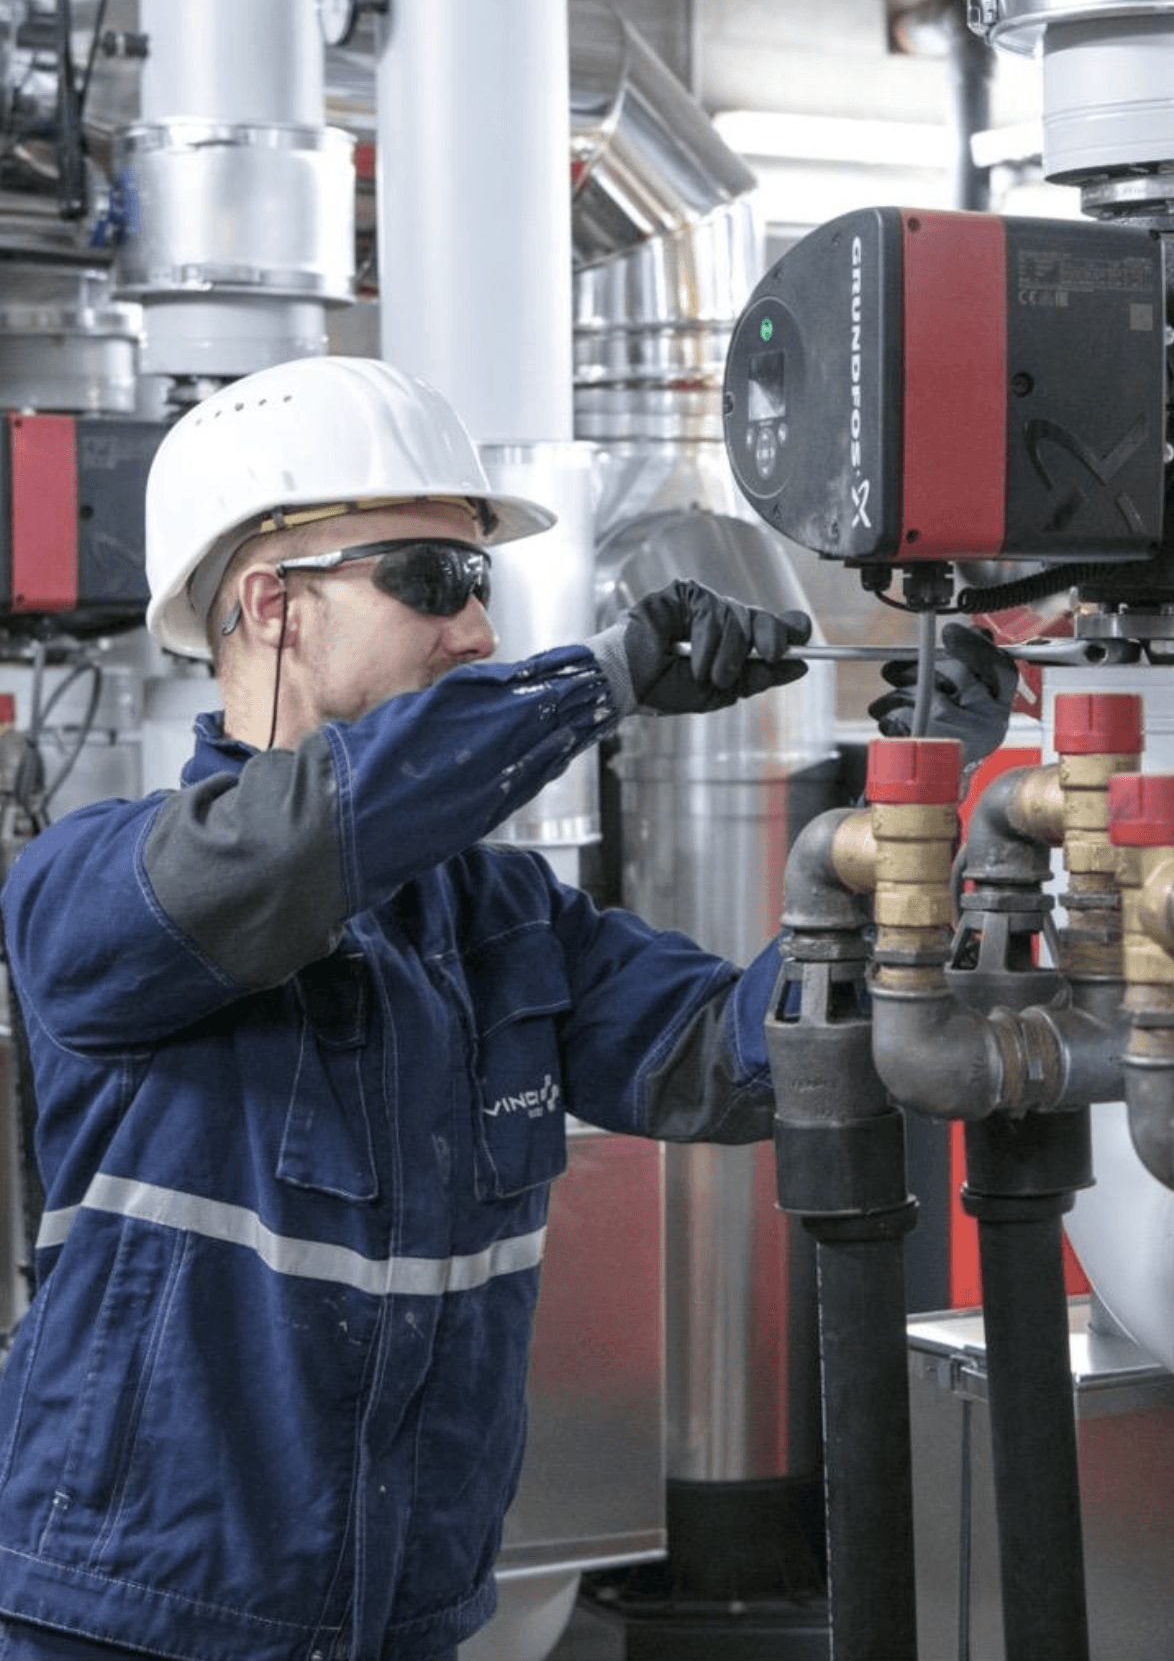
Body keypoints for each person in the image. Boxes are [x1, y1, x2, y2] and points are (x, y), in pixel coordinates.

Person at [0, 357, 1014, 1661]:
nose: (476, 629)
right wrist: (600, 680)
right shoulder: (97, 888)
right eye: (433, 582)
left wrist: (914, 810)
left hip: (404, 1615)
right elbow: (304, 833)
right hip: (133, 1615)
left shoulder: (503, 921)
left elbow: (745, 1057)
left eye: (482, 586)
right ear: (272, 601)